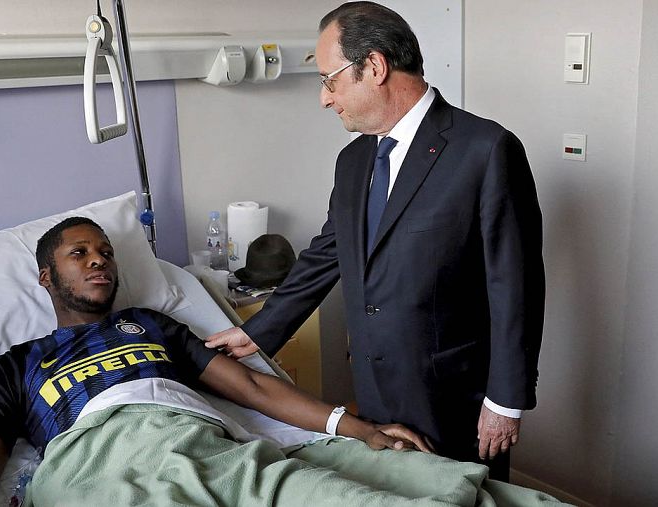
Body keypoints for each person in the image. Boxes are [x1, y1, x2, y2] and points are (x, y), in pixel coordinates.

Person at [0, 217, 560, 507]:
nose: (100, 260)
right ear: (45, 277)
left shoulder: (152, 325)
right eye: (79, 253)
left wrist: (360, 428)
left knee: (420, 485)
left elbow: (252, 389)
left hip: (208, 446)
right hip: (101, 464)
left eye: (106, 251)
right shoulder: (14, 365)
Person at [205, 1, 545, 480]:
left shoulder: (484, 151)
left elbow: (516, 286)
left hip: (454, 393)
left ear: (375, 66)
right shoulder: (353, 162)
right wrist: (257, 331)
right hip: (374, 385)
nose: (324, 99)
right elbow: (328, 253)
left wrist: (505, 402)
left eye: (329, 80)